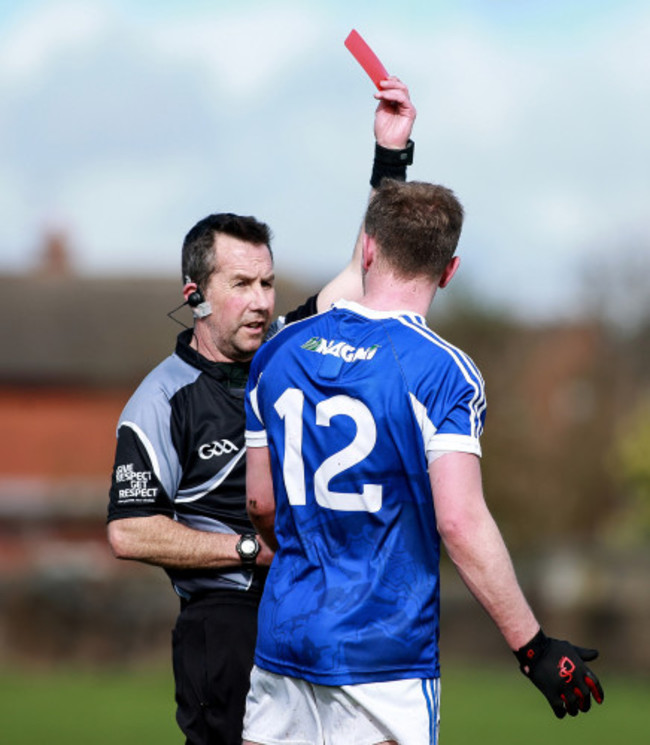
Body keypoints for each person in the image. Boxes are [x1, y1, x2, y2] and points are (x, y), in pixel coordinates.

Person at [106, 78, 416, 745]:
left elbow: (363, 278)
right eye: (240, 284)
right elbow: (129, 532)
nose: (259, 299)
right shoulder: (160, 398)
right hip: (223, 623)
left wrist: (389, 157)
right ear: (196, 294)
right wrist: (247, 548)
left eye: (267, 282)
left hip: (308, 613)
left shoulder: (283, 349)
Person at [243, 179, 605, 745]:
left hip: (284, 644)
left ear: (367, 248)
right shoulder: (443, 373)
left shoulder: (279, 352)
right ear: (449, 269)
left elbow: (260, 503)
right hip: (383, 657)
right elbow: (459, 521)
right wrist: (532, 647)